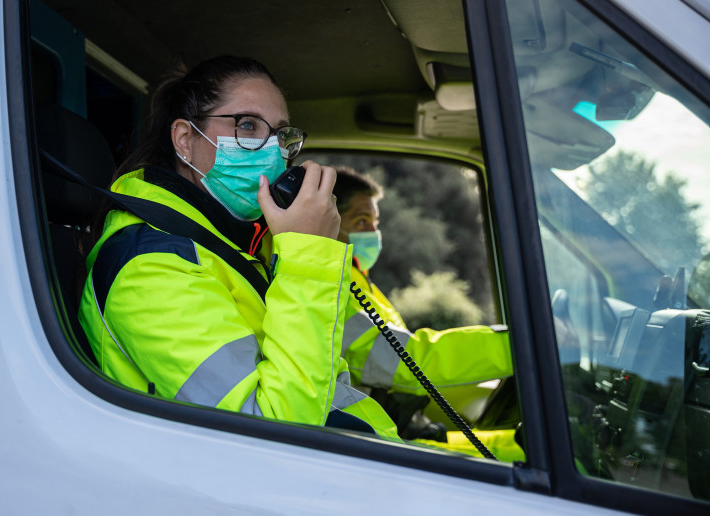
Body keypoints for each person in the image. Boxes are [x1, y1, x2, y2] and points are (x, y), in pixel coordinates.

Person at [78, 55, 401, 441]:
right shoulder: (150, 265)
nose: (273, 151)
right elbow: (274, 432)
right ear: (185, 139)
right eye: (247, 125)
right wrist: (307, 255)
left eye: (281, 134)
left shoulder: (241, 246)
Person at [332, 166, 524, 461]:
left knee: (524, 445)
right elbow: (409, 362)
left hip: (397, 425)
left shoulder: (358, 281)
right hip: (371, 440)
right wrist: (521, 346)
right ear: (328, 220)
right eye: (361, 221)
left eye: (375, 221)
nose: (373, 232)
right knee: (532, 454)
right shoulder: (330, 287)